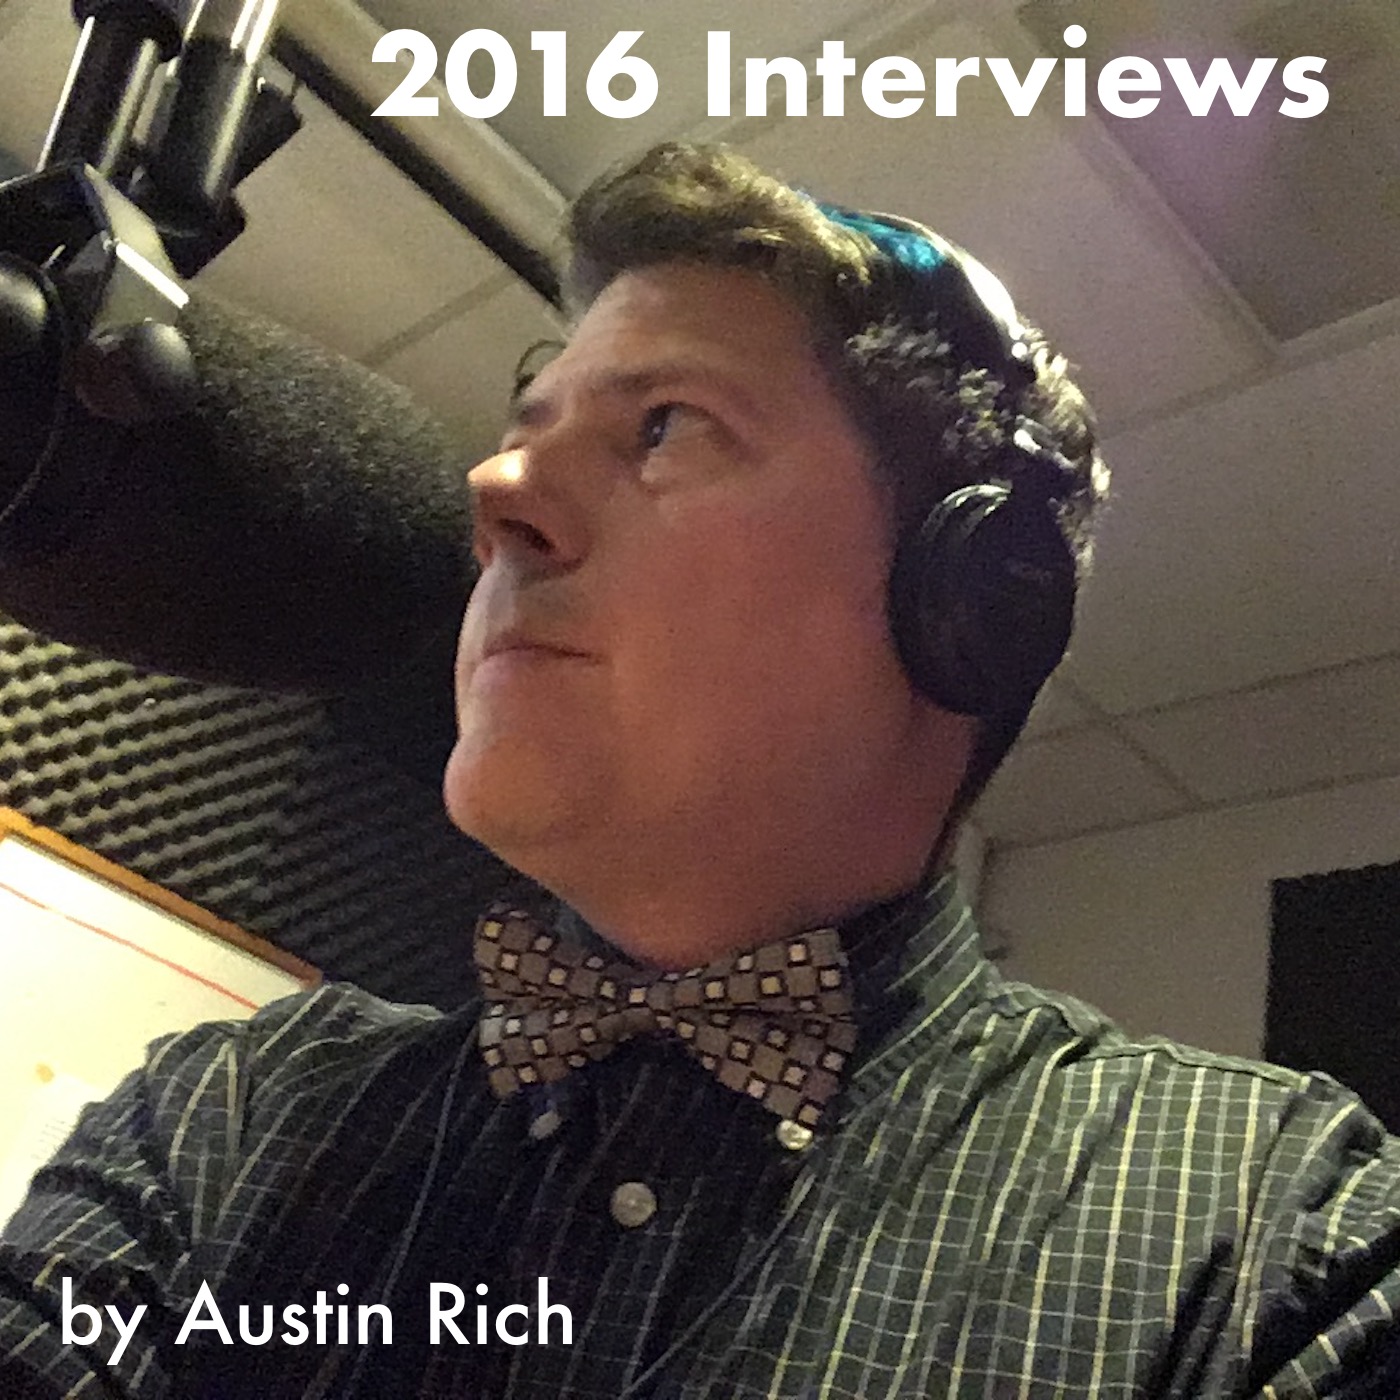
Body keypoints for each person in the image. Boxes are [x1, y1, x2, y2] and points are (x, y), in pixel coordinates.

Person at [2, 141, 1397, 1399]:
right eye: (524, 427)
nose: (493, 491)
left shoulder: (1278, 1239)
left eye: (663, 424)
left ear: (978, 598)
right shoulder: (227, 1117)